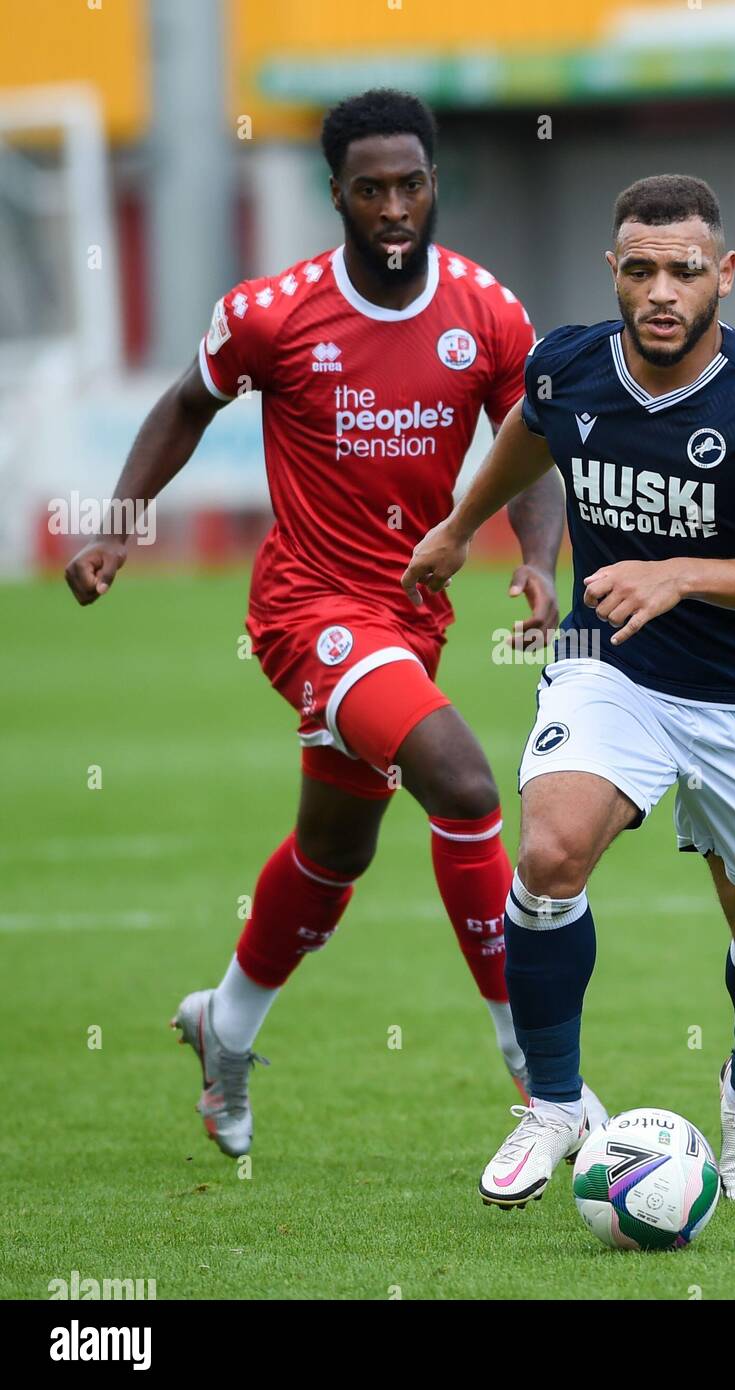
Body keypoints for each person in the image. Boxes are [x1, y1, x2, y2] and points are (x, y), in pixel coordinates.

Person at [64, 88, 606, 1158]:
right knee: (461, 778)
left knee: (335, 850)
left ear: (435, 183)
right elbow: (186, 401)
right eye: (373, 190)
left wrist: (540, 564)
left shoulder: (487, 312)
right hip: (307, 609)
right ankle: (538, 1069)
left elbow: (528, 436)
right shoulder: (277, 311)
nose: (395, 207)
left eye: (412, 185)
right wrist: (120, 525)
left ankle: (225, 1025)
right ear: (338, 196)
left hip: (411, 615)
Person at [402, 174, 735, 1208]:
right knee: (550, 853)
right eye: (639, 268)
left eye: (684, 270)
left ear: (722, 275)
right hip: (613, 668)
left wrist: (681, 572)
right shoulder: (568, 367)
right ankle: (555, 1102)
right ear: (614, 269)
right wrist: (466, 525)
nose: (660, 290)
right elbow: (530, 428)